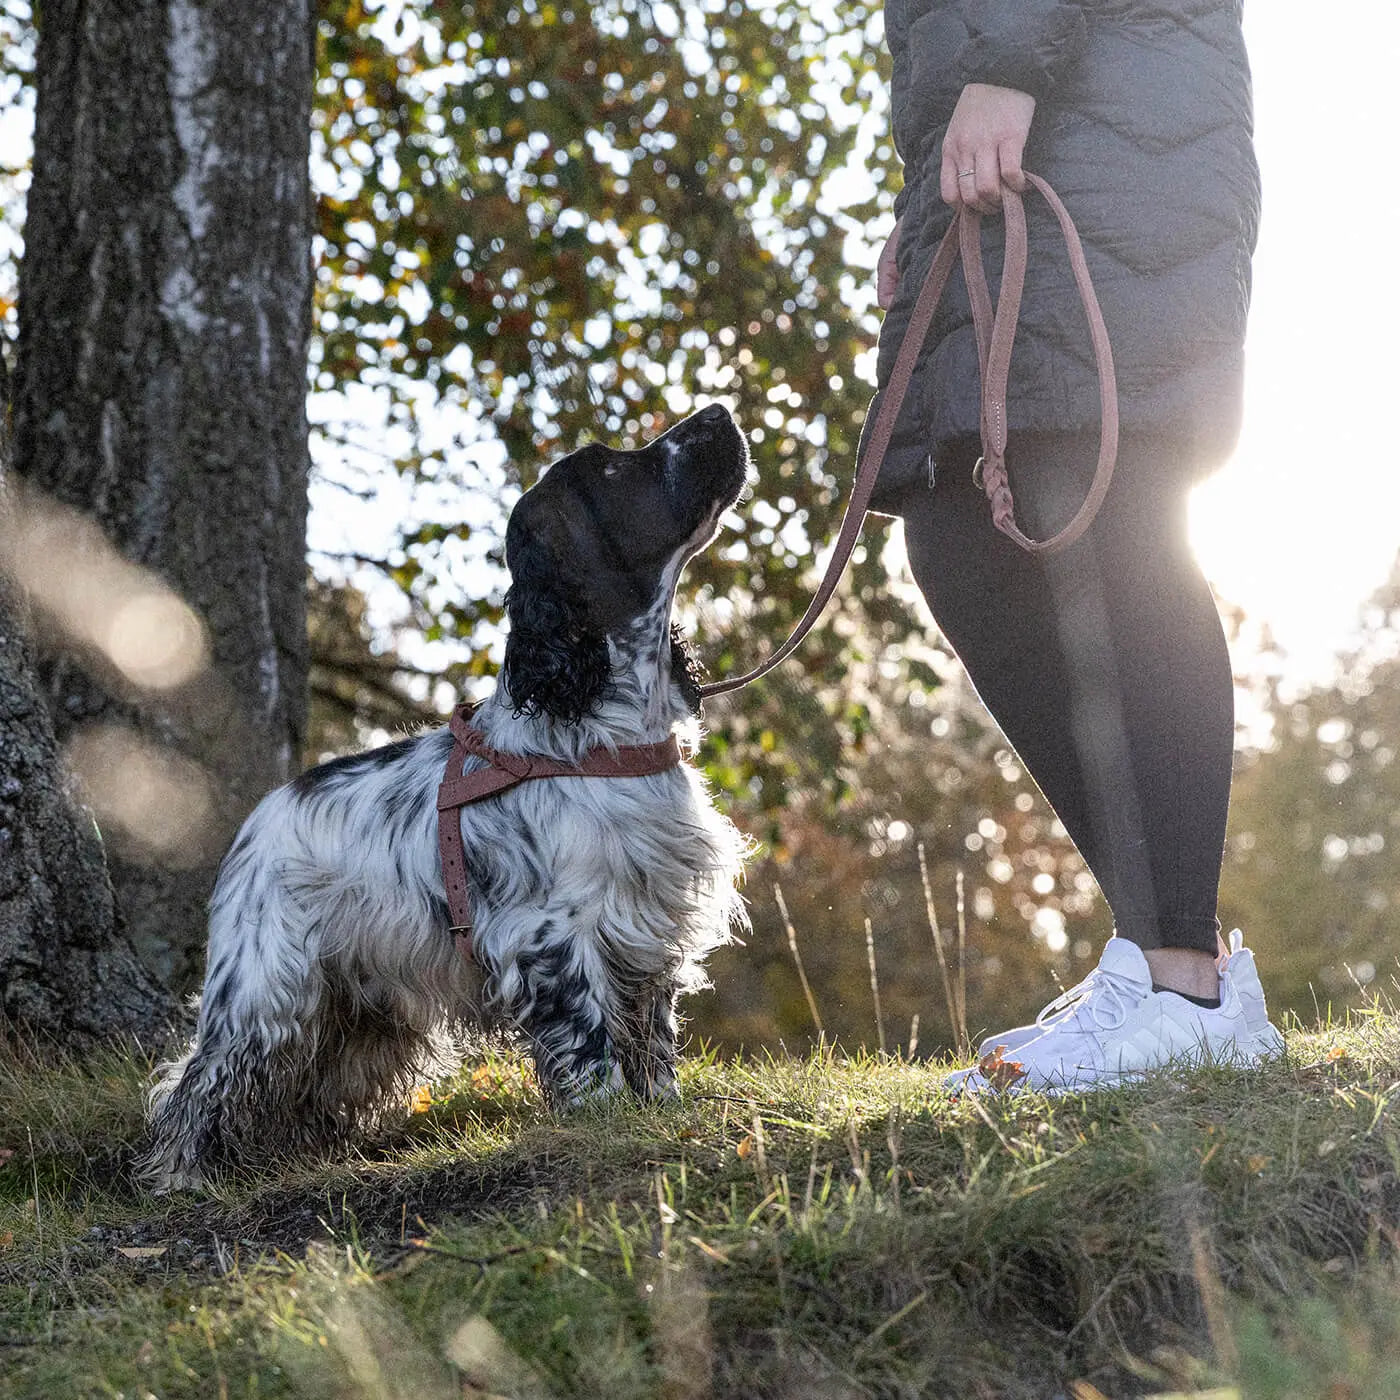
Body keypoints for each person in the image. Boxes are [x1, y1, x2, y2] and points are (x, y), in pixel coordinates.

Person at [864, 0, 1284, 1091]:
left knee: (1115, 515)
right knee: (954, 538)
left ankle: (1182, 976)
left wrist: (1005, 69)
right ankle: (1163, 957)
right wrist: (915, 209)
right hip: (999, 148)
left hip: (1106, 124)